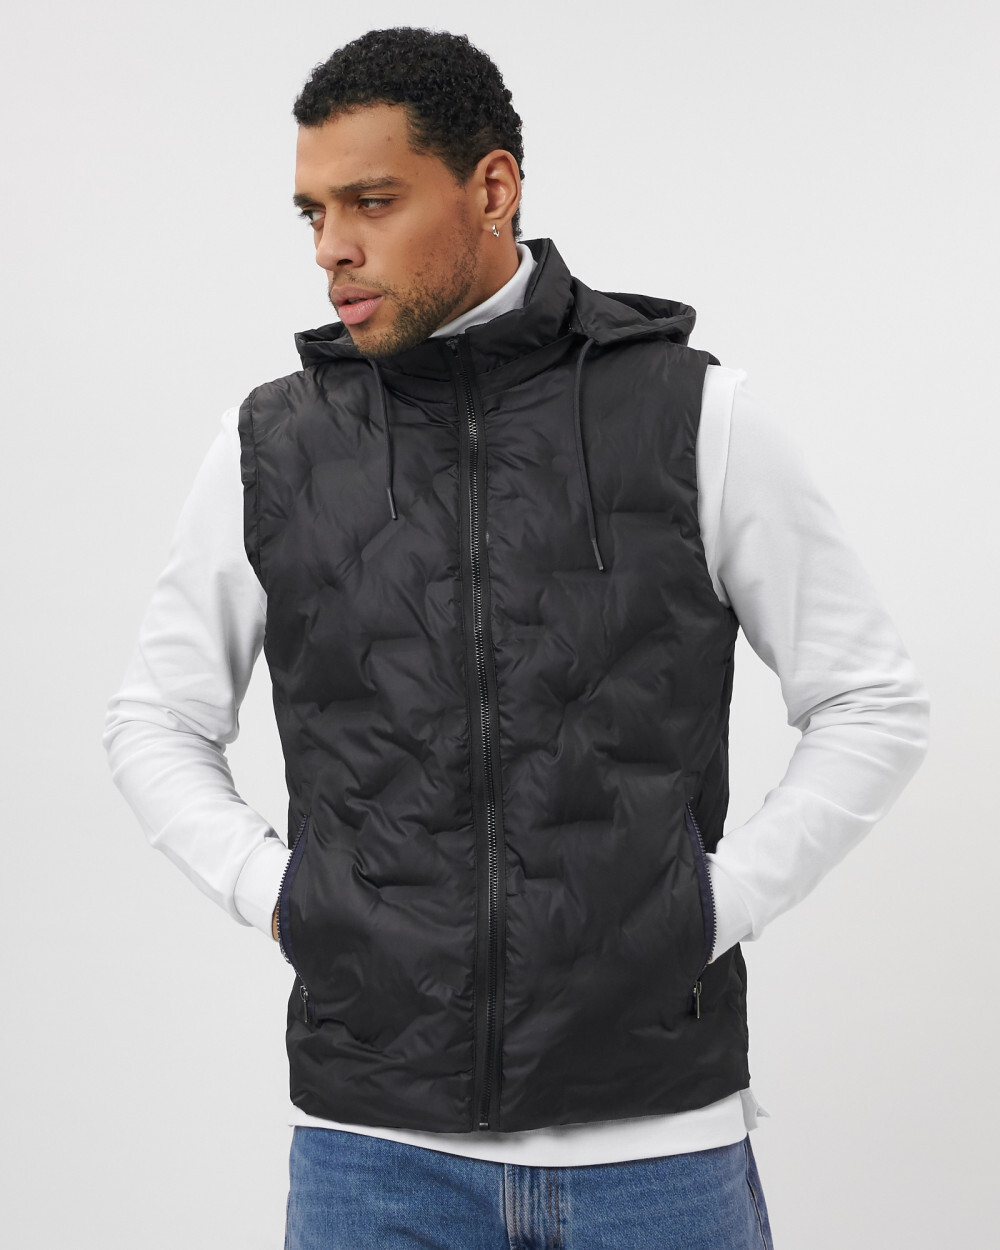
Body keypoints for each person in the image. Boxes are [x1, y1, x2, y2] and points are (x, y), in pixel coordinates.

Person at [104, 26, 929, 1250]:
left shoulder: (690, 412)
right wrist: (283, 895)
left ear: (492, 188)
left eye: (371, 201)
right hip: (372, 1155)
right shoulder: (273, 443)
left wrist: (705, 909)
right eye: (313, 212)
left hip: (655, 1149)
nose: (331, 247)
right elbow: (155, 720)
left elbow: (869, 699)